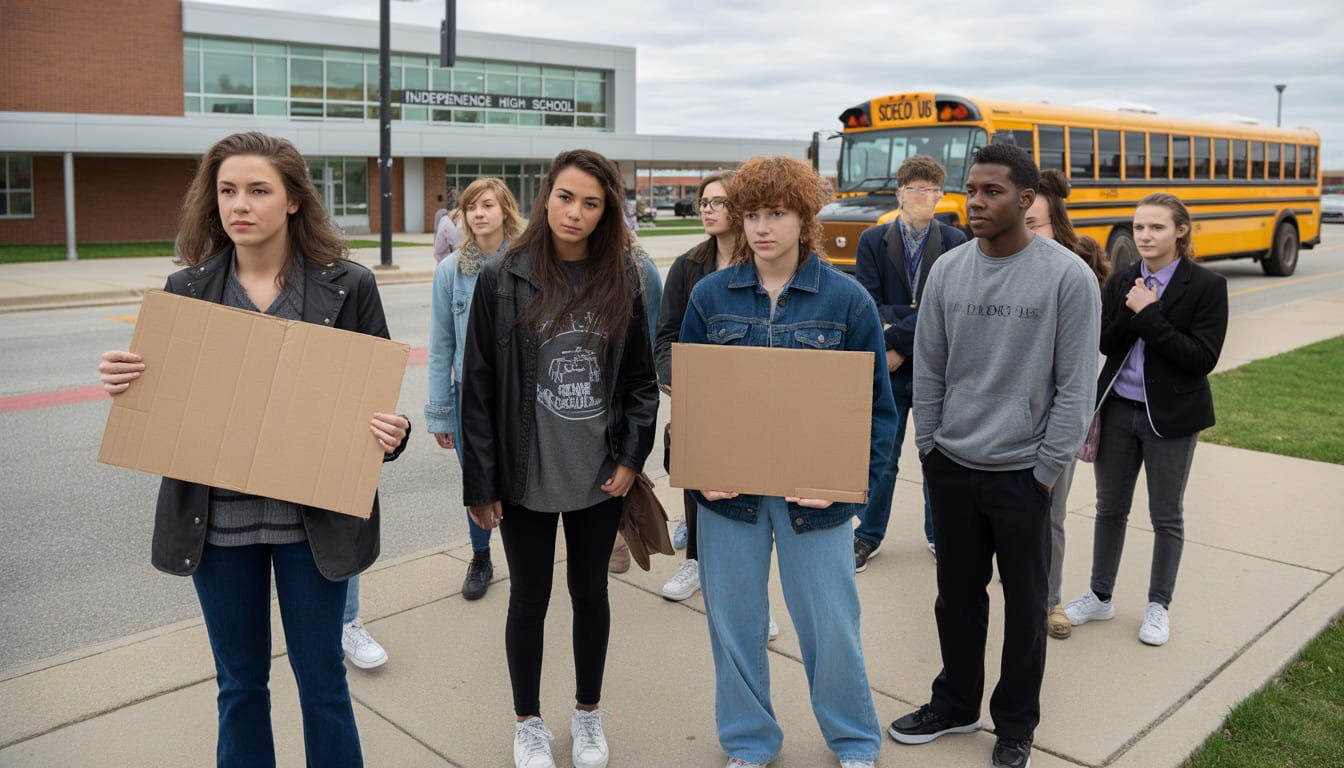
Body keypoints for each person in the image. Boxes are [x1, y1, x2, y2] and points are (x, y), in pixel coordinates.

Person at [98, 131, 410, 767]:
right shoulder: (186, 290)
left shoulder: (348, 286)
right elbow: (171, 413)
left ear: (293, 200)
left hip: (312, 525)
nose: (239, 204)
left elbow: (372, 406)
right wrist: (131, 386)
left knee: (323, 684)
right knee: (240, 686)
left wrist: (392, 433)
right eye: (227, 190)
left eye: (258, 190)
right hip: (215, 525)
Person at [680, 155, 897, 768]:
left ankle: (855, 742)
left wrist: (849, 491)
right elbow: (694, 401)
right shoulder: (710, 295)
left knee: (831, 631)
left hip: (816, 501)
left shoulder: (848, 300)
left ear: (805, 218)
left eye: (776, 213)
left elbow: (879, 412)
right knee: (735, 630)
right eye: (751, 214)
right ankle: (749, 744)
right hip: (730, 499)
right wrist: (699, 476)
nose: (762, 227)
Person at [889, 144, 1100, 768]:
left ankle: (1015, 724)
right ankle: (954, 703)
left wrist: (1043, 472)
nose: (976, 202)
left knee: (1027, 605)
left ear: (1026, 200)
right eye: (972, 190)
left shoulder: (1068, 277)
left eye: (993, 192)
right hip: (951, 464)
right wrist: (929, 446)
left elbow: (1075, 388)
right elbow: (928, 367)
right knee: (956, 596)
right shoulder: (949, 270)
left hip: (1022, 476)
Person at [459, 149, 659, 768]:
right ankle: (529, 722)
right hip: (525, 478)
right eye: (566, 197)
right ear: (546, 197)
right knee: (529, 599)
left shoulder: (622, 278)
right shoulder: (504, 276)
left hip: (598, 475)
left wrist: (630, 457)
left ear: (607, 213)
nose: (576, 212)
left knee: (591, 594)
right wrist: (481, 484)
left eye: (592, 203)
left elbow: (640, 383)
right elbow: (480, 389)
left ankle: (588, 715)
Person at [1063, 193, 1228, 647]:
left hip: (1171, 419)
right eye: (1138, 228)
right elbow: (1105, 343)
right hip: (1117, 410)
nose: (1145, 236)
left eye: (1156, 227)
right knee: (1109, 510)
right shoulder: (1123, 280)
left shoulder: (1208, 286)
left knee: (1165, 515)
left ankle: (1158, 605)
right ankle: (1100, 595)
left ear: (1181, 230)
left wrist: (1150, 313)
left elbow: (1201, 358)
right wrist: (1134, 309)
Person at [852, 155, 967, 572]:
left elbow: (948, 305)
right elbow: (869, 299)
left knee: (936, 455)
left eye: (933, 190)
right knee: (881, 454)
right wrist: (903, 335)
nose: (925, 197)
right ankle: (867, 535)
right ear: (900, 193)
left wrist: (898, 341)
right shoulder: (873, 240)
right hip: (891, 368)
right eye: (916, 189)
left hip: (933, 367)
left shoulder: (955, 240)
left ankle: (941, 534)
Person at [427, 177, 525, 600]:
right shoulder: (450, 272)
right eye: (470, 207)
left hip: (523, 395)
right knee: (478, 481)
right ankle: (481, 555)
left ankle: (525, 559)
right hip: (472, 398)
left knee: (522, 483)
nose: (478, 214)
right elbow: (440, 346)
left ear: (505, 209)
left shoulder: (528, 262)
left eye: (486, 205)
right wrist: (440, 412)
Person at [1023, 169, 1110, 640]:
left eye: (1034, 223)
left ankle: (1051, 596)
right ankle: (1022, 583)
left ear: (1055, 220)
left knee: (1051, 514)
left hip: (1057, 415)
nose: (1026, 231)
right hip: (1007, 417)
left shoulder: (1079, 272)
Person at [654, 171, 737, 602]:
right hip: (695, 391)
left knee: (747, 483)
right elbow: (665, 334)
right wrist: (679, 381)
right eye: (704, 202)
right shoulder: (688, 265)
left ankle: (746, 590)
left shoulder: (757, 260)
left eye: (718, 202)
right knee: (693, 473)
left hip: (745, 396)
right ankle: (696, 561)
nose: (707, 208)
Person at [606, 217, 664, 576]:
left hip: (620, 392)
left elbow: (651, 338)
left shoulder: (640, 267)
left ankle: (617, 534)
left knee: (615, 471)